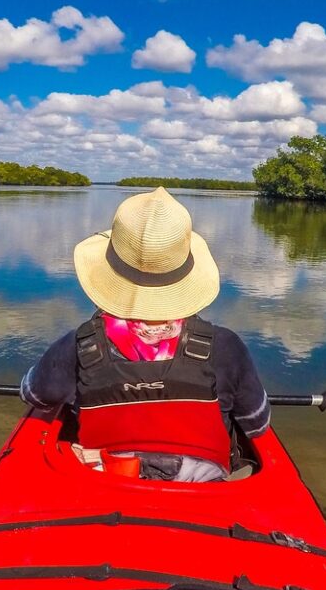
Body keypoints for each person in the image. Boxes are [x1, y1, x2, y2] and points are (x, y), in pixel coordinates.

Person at [21, 187, 270, 482]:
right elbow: (256, 425)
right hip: (204, 488)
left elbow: (34, 393)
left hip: (106, 482)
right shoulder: (226, 347)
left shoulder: (79, 345)